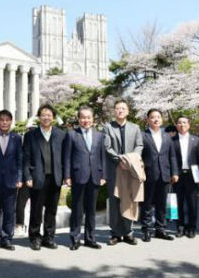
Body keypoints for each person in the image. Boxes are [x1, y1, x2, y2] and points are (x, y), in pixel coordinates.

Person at [23, 104, 66, 251]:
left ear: (53, 117)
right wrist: (27, 176)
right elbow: (26, 158)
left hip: (55, 177)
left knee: (52, 210)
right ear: (39, 117)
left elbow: (65, 157)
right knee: (36, 209)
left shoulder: (61, 134)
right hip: (37, 177)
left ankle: (49, 238)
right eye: (43, 114)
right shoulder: (31, 135)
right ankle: (35, 237)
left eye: (49, 115)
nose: (46, 117)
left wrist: (66, 176)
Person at [64, 106, 107, 250]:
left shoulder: (99, 135)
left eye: (88, 117)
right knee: (77, 209)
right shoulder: (71, 134)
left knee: (91, 210)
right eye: (83, 117)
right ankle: (75, 239)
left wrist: (104, 175)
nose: (86, 120)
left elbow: (103, 157)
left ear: (93, 119)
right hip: (78, 176)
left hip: (95, 176)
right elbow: (67, 157)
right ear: (78, 119)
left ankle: (90, 239)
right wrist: (67, 175)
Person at [103, 99, 143, 246]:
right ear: (114, 111)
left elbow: (139, 145)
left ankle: (128, 232)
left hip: (131, 169)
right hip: (115, 168)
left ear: (128, 111)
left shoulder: (135, 127)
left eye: (123, 108)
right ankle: (115, 233)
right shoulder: (107, 127)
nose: (120, 110)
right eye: (118, 108)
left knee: (130, 200)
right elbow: (107, 147)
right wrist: (120, 159)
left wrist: (130, 160)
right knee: (115, 201)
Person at [0, 109, 23, 252]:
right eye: (2, 119)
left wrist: (20, 178)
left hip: (11, 181)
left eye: (7, 120)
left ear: (11, 122)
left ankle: (6, 238)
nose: (4, 122)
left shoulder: (17, 138)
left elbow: (20, 159)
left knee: (9, 211)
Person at [140, 109, 178, 242]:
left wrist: (175, 172)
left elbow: (172, 156)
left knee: (162, 204)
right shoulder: (142, 135)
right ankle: (146, 229)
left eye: (158, 117)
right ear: (148, 120)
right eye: (152, 117)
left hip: (165, 174)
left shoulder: (167, 135)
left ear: (161, 120)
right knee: (147, 203)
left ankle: (161, 229)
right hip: (148, 174)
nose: (156, 119)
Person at [172, 116, 199, 238]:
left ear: (189, 125)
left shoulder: (196, 140)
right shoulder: (172, 140)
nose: (182, 125)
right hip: (178, 176)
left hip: (193, 175)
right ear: (176, 125)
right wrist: (173, 173)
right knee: (178, 204)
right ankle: (180, 227)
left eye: (184, 122)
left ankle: (192, 227)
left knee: (192, 203)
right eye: (179, 123)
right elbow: (172, 159)